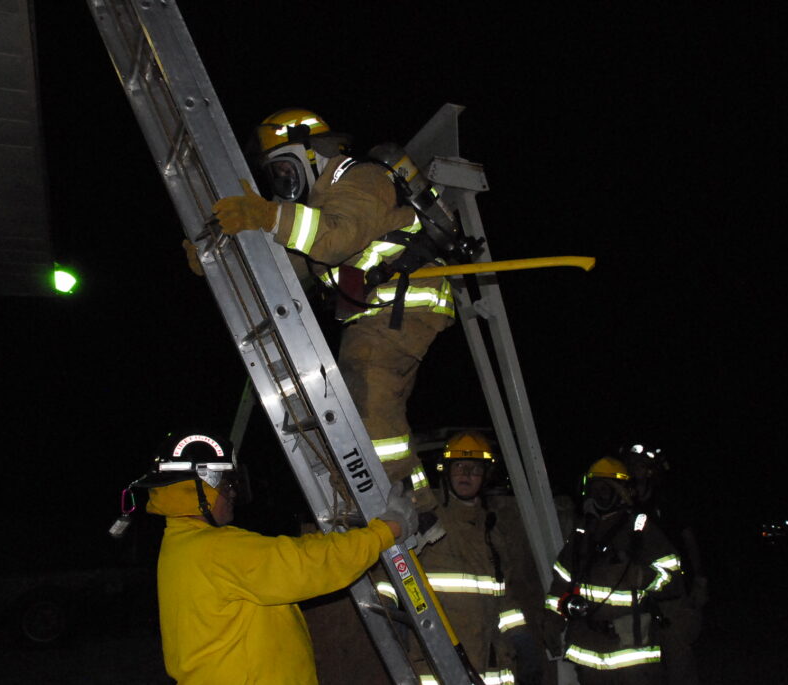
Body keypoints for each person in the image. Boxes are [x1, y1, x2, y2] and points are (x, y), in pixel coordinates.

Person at [204, 109, 455, 539]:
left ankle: (401, 509)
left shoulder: (361, 180)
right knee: (369, 409)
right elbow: (294, 266)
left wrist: (267, 215)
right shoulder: (321, 207)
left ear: (312, 153)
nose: (283, 182)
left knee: (366, 388)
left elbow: (334, 238)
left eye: (286, 167)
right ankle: (412, 507)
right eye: (275, 174)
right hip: (379, 313)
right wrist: (220, 260)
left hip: (404, 306)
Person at [128, 431, 418, 685]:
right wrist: (388, 529)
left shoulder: (184, 545)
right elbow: (307, 566)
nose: (232, 495)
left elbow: (287, 555)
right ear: (201, 488)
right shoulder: (216, 550)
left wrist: (346, 537)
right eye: (226, 485)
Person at [379, 431, 542, 684]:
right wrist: (388, 612)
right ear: (446, 471)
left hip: (489, 667)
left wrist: (521, 637)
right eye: (459, 466)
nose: (466, 474)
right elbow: (392, 565)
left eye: (475, 468)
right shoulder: (425, 521)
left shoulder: (492, 532)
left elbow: (503, 598)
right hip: (436, 664)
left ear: (486, 476)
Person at [544, 457, 682, 685]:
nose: (600, 496)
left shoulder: (640, 528)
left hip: (632, 652)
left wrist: (641, 576)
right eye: (595, 489)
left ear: (622, 491)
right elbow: (562, 581)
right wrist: (552, 620)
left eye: (606, 489)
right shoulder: (582, 532)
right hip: (588, 649)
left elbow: (673, 577)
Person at [617, 444, 705, 685]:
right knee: (644, 664)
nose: (636, 470)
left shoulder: (666, 499)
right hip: (636, 594)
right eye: (631, 465)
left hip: (672, 593)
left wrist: (699, 579)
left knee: (678, 656)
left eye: (641, 465)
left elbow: (688, 538)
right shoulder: (623, 505)